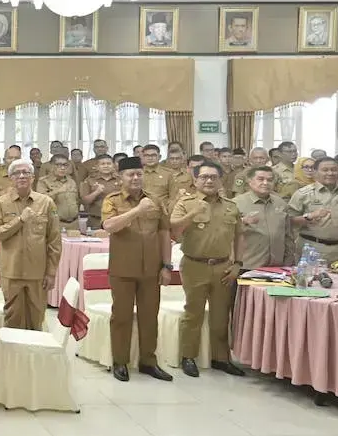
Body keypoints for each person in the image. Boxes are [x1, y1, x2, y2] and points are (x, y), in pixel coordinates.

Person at [101, 157, 174, 383]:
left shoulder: (155, 200)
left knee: (150, 317)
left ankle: (148, 362)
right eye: (130, 174)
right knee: (121, 317)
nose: (135, 178)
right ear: (120, 177)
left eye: (139, 174)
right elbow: (109, 226)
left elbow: (164, 233)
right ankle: (120, 361)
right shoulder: (112, 200)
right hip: (123, 268)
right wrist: (137, 211)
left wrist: (167, 265)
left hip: (151, 269)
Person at [169, 160, 244, 378]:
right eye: (204, 177)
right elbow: (174, 230)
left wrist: (238, 264)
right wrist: (192, 213)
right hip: (195, 265)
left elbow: (240, 236)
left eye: (213, 177)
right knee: (194, 313)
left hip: (223, 267)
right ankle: (188, 357)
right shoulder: (185, 203)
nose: (209, 181)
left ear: (220, 180)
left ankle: (221, 358)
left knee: (221, 316)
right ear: (195, 180)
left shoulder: (231, 206)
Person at [0, 159, 61, 331]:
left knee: (37, 319)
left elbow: (54, 240)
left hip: (38, 273)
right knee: (13, 319)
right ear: (11, 178)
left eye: (26, 173)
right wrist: (20, 220)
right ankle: (13, 349)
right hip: (11, 272)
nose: (21, 176)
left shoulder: (46, 203)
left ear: (33, 177)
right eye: (17, 173)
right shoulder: (0, 203)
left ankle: (35, 348)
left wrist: (51, 272)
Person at [287, 157, 338, 268]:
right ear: (315, 172)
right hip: (311, 250)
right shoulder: (302, 194)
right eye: (325, 170)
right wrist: (309, 217)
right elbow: (289, 222)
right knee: (309, 279)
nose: (330, 173)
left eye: (334, 170)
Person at [233, 166, 289, 269]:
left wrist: (289, 262)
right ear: (250, 181)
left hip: (277, 267)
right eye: (260, 179)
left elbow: (288, 235)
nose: (265, 183)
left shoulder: (281, 203)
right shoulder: (236, 204)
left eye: (270, 180)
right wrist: (242, 221)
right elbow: (224, 234)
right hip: (247, 265)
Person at [35, 154, 80, 231]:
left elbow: (77, 200)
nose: (62, 168)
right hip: (56, 223)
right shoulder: (44, 182)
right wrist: (58, 191)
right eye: (58, 165)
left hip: (74, 223)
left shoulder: (71, 181)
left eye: (65, 165)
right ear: (52, 166)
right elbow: (41, 201)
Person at [80, 156, 121, 230]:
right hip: (96, 220)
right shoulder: (89, 180)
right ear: (97, 167)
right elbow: (85, 201)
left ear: (113, 165)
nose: (106, 166)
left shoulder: (120, 179)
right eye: (103, 164)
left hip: (116, 219)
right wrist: (96, 192)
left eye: (109, 163)